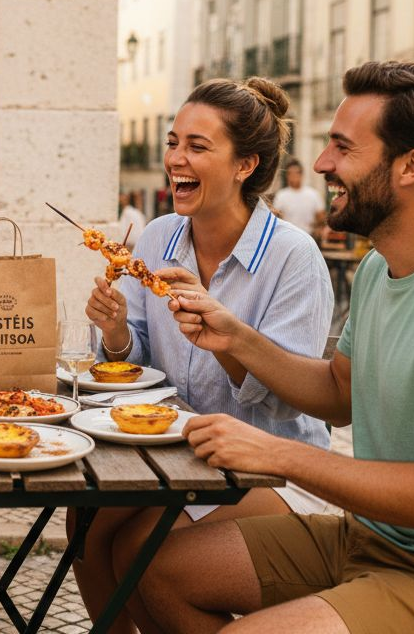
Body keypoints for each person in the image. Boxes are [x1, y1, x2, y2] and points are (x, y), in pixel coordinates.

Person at [135, 61, 414, 634]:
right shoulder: (380, 271)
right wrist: (234, 337)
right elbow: (339, 393)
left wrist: (276, 453)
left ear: (412, 166)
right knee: (157, 570)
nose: (320, 165)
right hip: (371, 538)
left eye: (342, 147)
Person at [75, 77, 336, 633]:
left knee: (138, 551)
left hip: (274, 473)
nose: (176, 159)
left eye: (197, 146)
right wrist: (118, 331)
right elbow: (137, 362)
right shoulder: (157, 238)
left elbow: (291, 400)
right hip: (177, 458)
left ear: (245, 165)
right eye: (173, 143)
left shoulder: (293, 258)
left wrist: (226, 336)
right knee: (86, 523)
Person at [271, 158, 327, 237]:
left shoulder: (313, 194)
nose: (293, 176)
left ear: (301, 174)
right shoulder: (281, 195)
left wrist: (317, 229)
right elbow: (275, 217)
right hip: (287, 236)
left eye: (296, 173)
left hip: (309, 236)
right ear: (287, 176)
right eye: (290, 173)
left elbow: (321, 218)